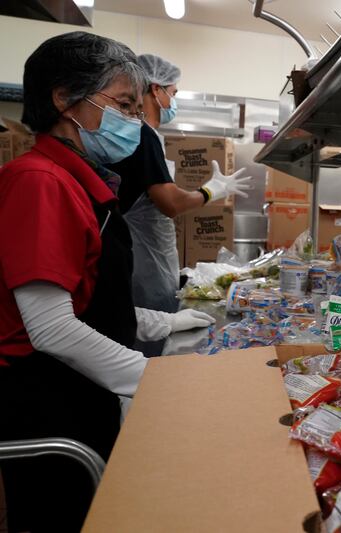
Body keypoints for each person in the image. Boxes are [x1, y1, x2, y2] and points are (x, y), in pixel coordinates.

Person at [0, 32, 215, 532]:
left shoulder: (80, 181)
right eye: (122, 105)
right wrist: (154, 379)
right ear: (63, 98)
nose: (133, 123)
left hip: (80, 391)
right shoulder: (39, 182)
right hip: (49, 407)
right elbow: (50, 328)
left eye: (136, 109)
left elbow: (87, 301)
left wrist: (165, 321)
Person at [107, 54, 252, 312]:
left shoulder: (143, 135)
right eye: (173, 93)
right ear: (155, 89)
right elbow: (170, 203)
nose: (173, 101)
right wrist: (211, 191)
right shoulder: (142, 135)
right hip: (143, 264)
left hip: (148, 258)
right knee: (151, 334)